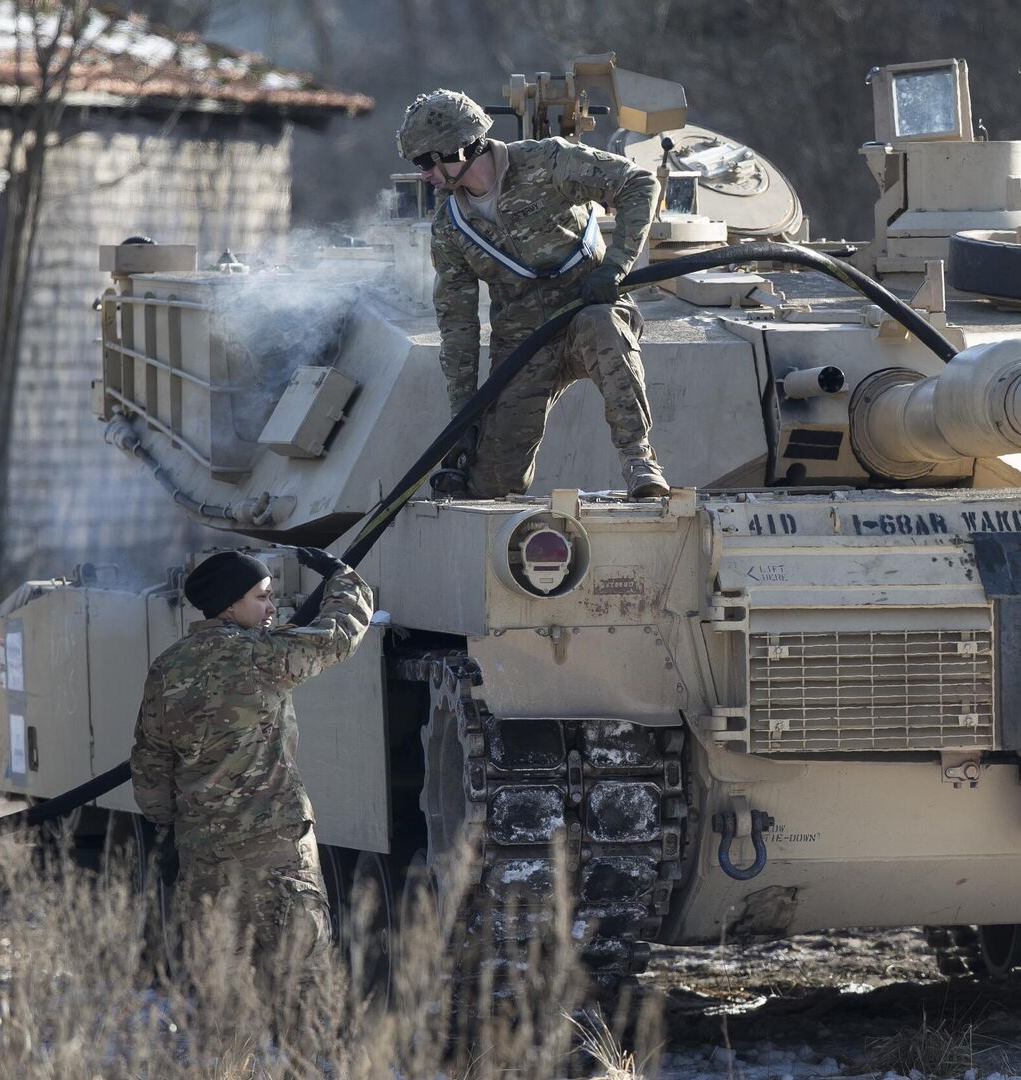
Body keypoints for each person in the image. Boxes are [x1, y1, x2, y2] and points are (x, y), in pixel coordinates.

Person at [396, 89, 668, 500]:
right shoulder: (450, 228)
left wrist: (615, 267)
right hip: (523, 345)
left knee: (603, 325)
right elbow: (458, 326)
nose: (423, 175)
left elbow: (638, 183)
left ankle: (639, 460)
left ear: (456, 150)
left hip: (586, 313)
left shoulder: (549, 162)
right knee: (491, 484)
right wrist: (463, 416)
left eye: (424, 161)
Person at [130, 546, 373, 992]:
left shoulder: (167, 667)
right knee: (302, 982)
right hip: (278, 855)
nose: (272, 607)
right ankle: (299, 1062)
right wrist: (344, 578)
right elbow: (338, 634)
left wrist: (175, 828)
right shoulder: (259, 656)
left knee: (221, 990)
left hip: (205, 857)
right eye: (261, 596)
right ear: (229, 603)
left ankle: (228, 1065)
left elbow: (150, 766)